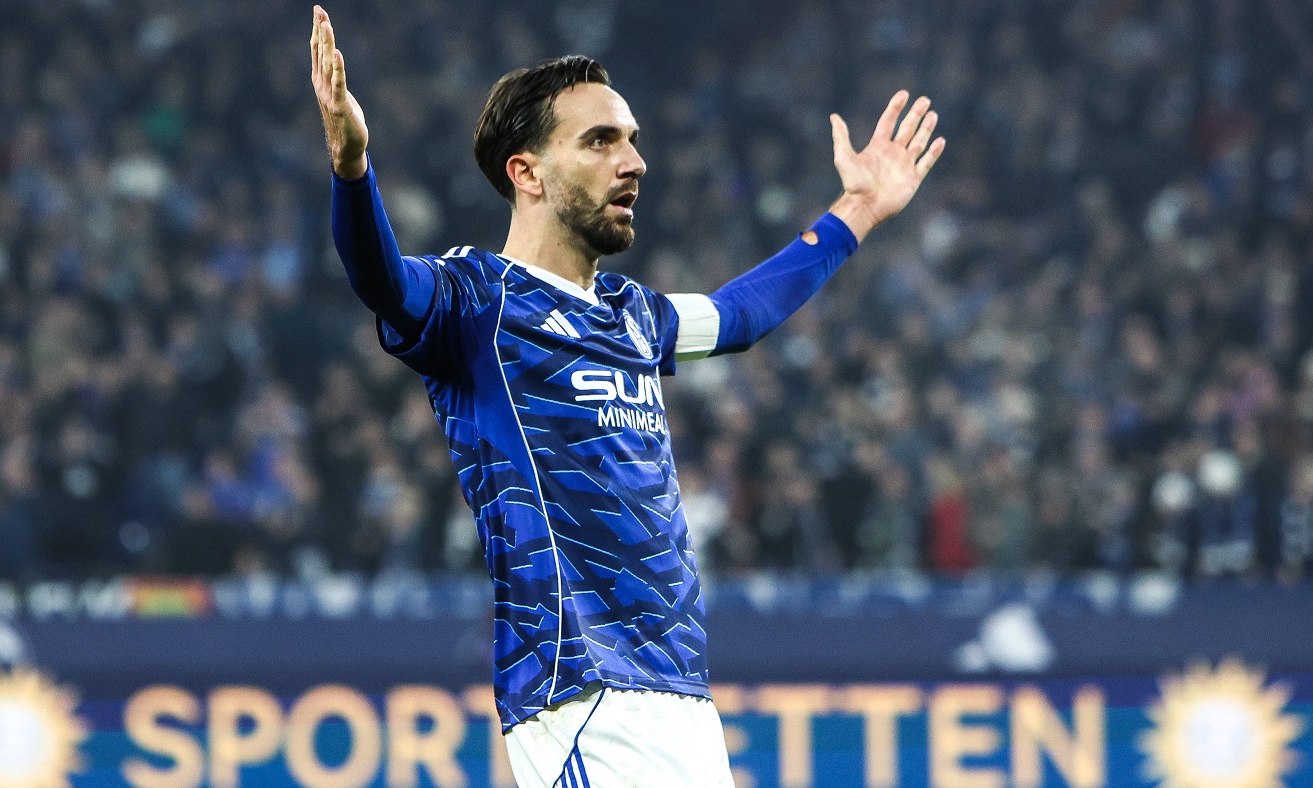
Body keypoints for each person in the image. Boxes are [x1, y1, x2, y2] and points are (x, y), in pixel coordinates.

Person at [310, 5, 943, 784]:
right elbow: (382, 281)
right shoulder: (476, 303)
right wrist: (352, 169)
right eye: (600, 140)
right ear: (527, 173)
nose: (634, 161)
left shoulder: (634, 317)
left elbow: (743, 315)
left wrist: (860, 208)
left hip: (680, 694)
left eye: (633, 139)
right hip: (583, 693)